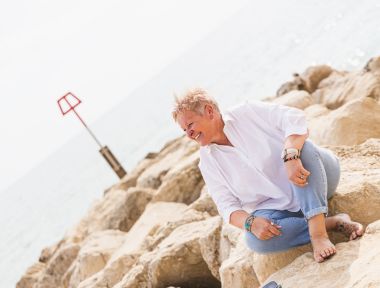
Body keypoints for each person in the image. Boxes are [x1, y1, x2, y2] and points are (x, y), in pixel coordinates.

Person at [172, 88, 364, 263]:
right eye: (184, 130)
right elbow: (227, 206)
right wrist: (250, 223)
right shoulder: (207, 163)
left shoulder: (247, 112)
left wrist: (290, 155)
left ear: (209, 111)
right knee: (255, 240)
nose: (189, 133)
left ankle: (318, 234)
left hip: (317, 178)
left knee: (304, 148)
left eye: (190, 124)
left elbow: (294, 119)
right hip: (280, 209)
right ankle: (334, 222)